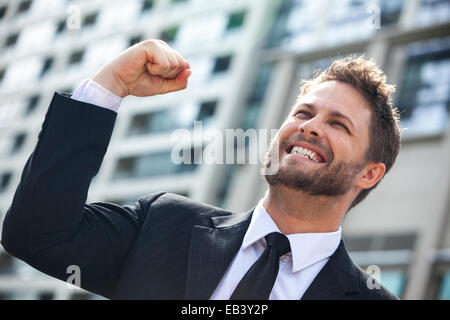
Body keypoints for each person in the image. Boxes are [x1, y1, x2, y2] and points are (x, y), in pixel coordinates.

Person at [1, 39, 400, 300]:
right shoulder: (164, 223)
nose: (310, 126)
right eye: (303, 112)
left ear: (370, 173)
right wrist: (110, 86)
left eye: (338, 124)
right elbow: (35, 235)